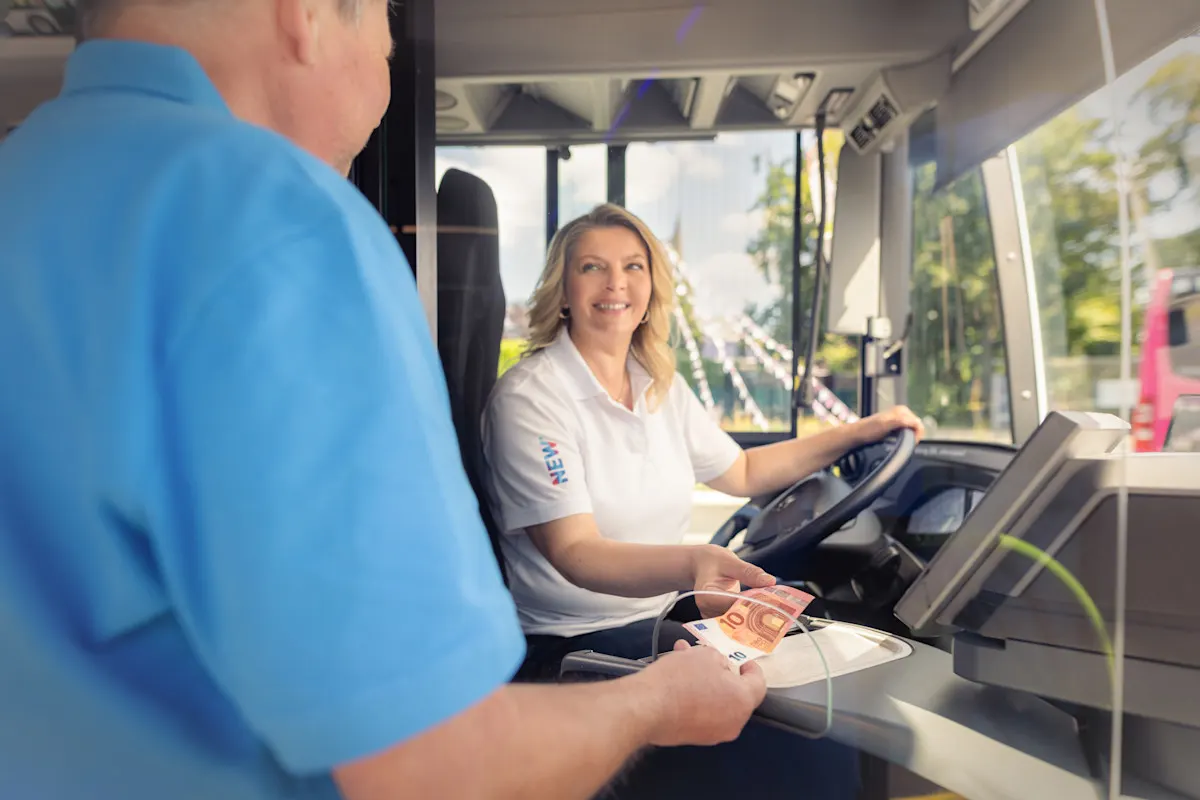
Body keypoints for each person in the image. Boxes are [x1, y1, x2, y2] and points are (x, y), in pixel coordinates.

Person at [0, 2, 770, 799]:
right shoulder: (274, 219)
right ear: (307, 15)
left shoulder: (25, 180)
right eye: (386, 43)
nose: (384, 84)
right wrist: (656, 703)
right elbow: (432, 765)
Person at [480, 204, 925, 797]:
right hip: (574, 645)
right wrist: (694, 566)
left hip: (664, 619)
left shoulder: (659, 385)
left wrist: (858, 432)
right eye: (592, 267)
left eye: (633, 266)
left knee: (828, 686)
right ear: (563, 291)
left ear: (651, 288)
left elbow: (742, 471)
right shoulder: (531, 398)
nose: (616, 284)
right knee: (798, 735)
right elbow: (575, 551)